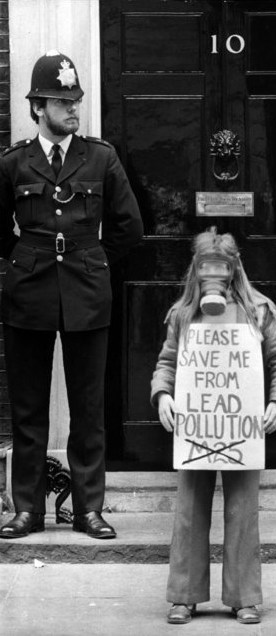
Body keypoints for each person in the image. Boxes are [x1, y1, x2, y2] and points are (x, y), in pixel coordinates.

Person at [0, 51, 143, 540]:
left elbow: (129, 226)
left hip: (86, 290)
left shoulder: (100, 157)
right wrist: (25, 254)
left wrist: (92, 257)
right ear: (38, 107)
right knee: (27, 408)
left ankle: (88, 509)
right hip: (29, 291)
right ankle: (27, 510)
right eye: (62, 101)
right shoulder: (15, 162)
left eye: (75, 100)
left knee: (88, 408)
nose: (72, 110)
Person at [151, 227, 276, 624]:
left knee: (243, 510)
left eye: (221, 268)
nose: (213, 276)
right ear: (194, 271)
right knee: (189, 510)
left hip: (243, 426)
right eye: (205, 268)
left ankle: (244, 596)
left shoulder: (258, 310)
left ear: (235, 270)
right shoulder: (183, 314)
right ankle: (184, 595)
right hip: (198, 426)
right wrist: (163, 395)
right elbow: (167, 362)